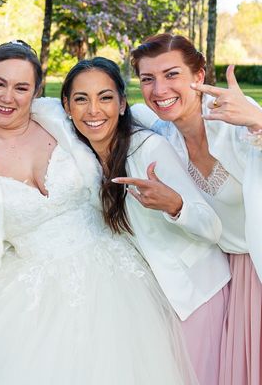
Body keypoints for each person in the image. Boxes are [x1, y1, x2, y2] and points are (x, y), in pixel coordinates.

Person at [0, 41, 197, 384]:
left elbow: (133, 116)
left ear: (36, 91)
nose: (8, 97)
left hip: (114, 276)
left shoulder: (64, 120)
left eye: (21, 87)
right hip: (27, 292)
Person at [61, 57, 230, 385]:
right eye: (81, 99)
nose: (93, 110)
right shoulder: (82, 156)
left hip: (192, 294)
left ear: (123, 104)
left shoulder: (148, 149)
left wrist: (175, 205)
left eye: (105, 97)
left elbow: (212, 227)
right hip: (149, 299)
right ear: (66, 106)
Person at [131, 33, 262, 385]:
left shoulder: (237, 120)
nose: (159, 90)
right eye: (147, 79)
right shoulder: (164, 140)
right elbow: (103, 112)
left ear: (199, 76)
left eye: (172, 74)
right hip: (229, 274)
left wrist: (258, 120)